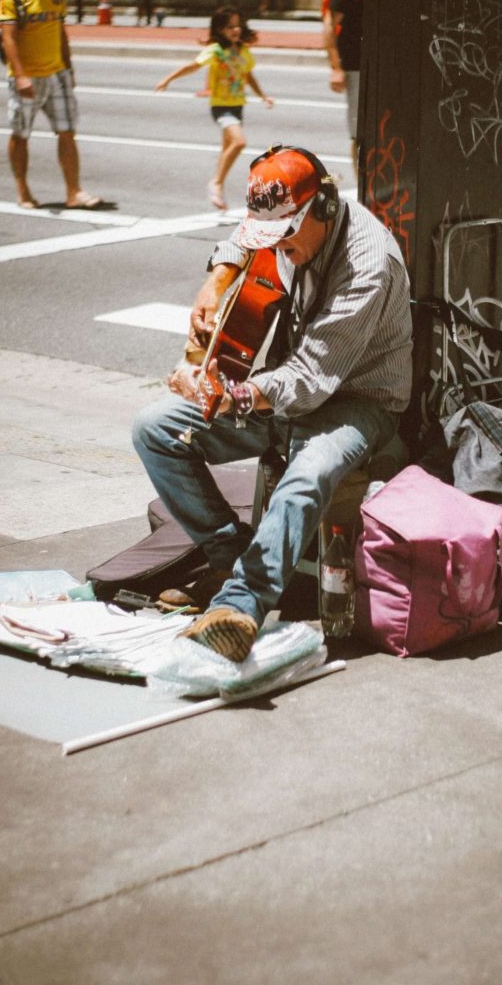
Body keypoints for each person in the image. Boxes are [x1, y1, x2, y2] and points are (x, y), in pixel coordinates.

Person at [132, 145, 413, 661]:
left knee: (306, 476)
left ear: (321, 210)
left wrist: (237, 395)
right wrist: (216, 283)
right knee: (154, 429)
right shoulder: (280, 222)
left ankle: (240, 605)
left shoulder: (369, 263)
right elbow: (243, 238)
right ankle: (232, 556)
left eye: (286, 236)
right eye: (270, 237)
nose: (277, 247)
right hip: (281, 390)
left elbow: (311, 379)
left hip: (356, 400)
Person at [0, 0, 102, 210]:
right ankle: (23, 191)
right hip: (27, 76)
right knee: (21, 134)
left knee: (67, 131)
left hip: (57, 74)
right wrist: (20, 76)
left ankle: (74, 192)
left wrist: (68, 67)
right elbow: (8, 39)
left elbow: (60, 31)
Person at [155, 7, 273, 211]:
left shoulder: (243, 51)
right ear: (220, 29)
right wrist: (168, 79)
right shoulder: (216, 51)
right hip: (221, 106)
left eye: (238, 25)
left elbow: (248, 76)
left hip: (237, 106)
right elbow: (193, 66)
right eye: (230, 27)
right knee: (239, 142)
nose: (235, 30)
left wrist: (262, 96)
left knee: (226, 149)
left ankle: (218, 190)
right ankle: (216, 183)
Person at [322, 0, 364, 173]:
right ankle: (362, 189)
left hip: (378, 64)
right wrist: (336, 66)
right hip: (354, 64)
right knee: (360, 134)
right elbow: (330, 21)